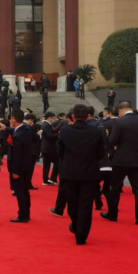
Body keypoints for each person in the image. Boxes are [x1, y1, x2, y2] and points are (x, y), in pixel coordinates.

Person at [57, 103, 105, 245]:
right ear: (88, 116)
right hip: (89, 173)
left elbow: (60, 153)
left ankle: (76, 226)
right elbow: (101, 153)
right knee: (86, 205)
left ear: (73, 116)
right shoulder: (96, 131)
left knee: (72, 203)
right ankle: (81, 235)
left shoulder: (65, 131)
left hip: (69, 172)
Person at [101, 102, 138, 225]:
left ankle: (113, 214)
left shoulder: (119, 122)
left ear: (120, 110)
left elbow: (112, 140)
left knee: (115, 188)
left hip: (121, 159)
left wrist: (117, 145)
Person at [7, 110, 33, 223]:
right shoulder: (26, 129)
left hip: (19, 167)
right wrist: (6, 129)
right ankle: (26, 213)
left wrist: (15, 171)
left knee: (20, 192)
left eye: (11, 119)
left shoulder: (17, 136)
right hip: (27, 165)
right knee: (25, 191)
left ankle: (23, 215)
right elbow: (14, 130)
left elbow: (17, 155)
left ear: (13, 119)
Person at [40, 111, 60, 185]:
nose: (53, 120)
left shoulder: (44, 124)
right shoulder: (46, 125)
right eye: (52, 118)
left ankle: (45, 180)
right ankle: (53, 178)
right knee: (57, 162)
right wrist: (59, 134)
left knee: (46, 164)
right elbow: (50, 136)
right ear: (49, 118)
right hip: (49, 148)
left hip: (45, 148)